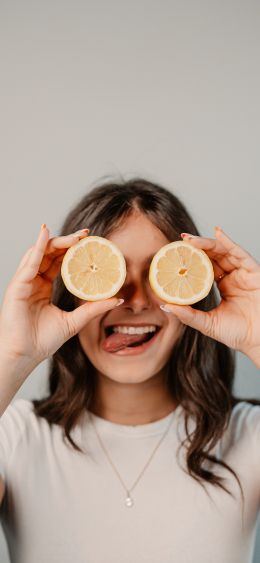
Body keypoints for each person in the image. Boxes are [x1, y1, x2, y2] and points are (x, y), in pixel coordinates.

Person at [0, 177, 259, 563]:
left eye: (159, 274)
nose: (135, 301)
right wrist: (12, 354)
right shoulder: (14, 436)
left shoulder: (248, 436)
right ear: (71, 291)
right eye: (110, 274)